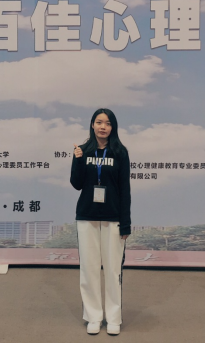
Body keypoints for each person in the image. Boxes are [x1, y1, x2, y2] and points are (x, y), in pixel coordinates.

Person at [70, 108, 131, 336]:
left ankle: (114, 318)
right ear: (92, 125)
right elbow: (76, 184)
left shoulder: (120, 152)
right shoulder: (82, 151)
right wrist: (77, 160)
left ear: (113, 127)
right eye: (99, 122)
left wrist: (125, 223)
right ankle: (93, 316)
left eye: (107, 123)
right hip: (87, 217)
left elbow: (125, 189)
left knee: (113, 270)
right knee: (89, 269)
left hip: (113, 218)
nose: (103, 127)